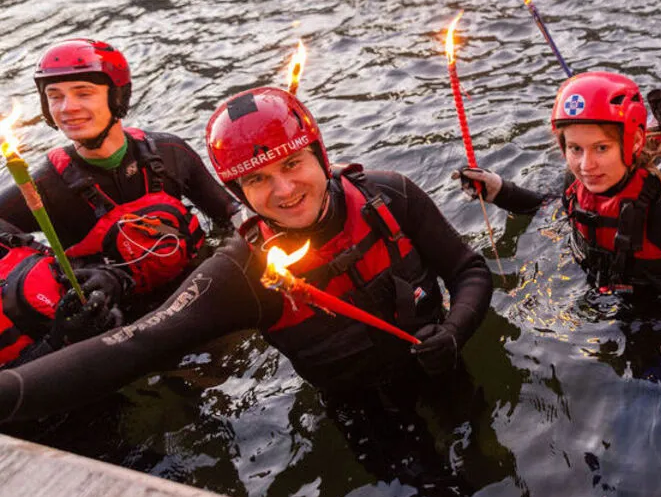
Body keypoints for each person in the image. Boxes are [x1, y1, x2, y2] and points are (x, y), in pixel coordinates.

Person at [0, 87, 492, 421]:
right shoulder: (242, 272)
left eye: (293, 163)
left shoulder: (390, 196)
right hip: (362, 409)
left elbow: (469, 270)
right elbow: (134, 347)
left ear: (320, 154)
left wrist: (456, 330)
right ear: (236, 188)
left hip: (444, 361)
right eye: (256, 179)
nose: (283, 191)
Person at [458, 71, 661, 300]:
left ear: (635, 141)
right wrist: (499, 191)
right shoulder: (577, 179)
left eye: (601, 148)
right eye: (575, 149)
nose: (586, 165)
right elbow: (551, 208)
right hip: (605, 298)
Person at [0, 39, 239, 311]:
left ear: (117, 97)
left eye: (83, 93)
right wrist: (56, 271)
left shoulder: (170, 152)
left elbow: (230, 215)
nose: (67, 107)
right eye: (55, 96)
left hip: (201, 289)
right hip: (120, 321)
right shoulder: (44, 186)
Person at [0, 220, 129, 367]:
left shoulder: (5, 236)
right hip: (59, 371)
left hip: (112, 324)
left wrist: (109, 279)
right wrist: (57, 341)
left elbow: (69, 264)